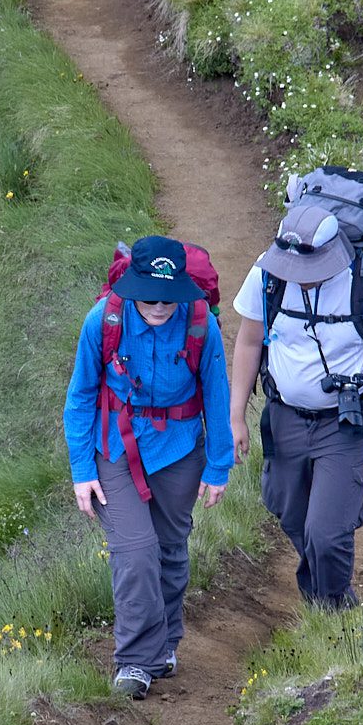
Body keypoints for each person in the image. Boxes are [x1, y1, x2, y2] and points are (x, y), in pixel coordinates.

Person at [64, 236, 233, 699]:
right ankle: (136, 662)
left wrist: (219, 465)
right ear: (132, 288)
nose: (160, 306)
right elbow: (80, 396)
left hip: (179, 450)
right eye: (149, 296)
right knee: (135, 551)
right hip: (115, 450)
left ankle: (164, 645)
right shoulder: (103, 321)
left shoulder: (201, 324)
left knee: (171, 548)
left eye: (168, 296)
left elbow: (217, 394)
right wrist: (82, 469)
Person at [229, 203, 363, 608]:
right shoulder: (266, 276)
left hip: (345, 425)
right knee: (291, 514)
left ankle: (332, 610)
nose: (301, 279)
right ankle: (322, 591)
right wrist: (235, 415)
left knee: (327, 531)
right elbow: (247, 343)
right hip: (284, 418)